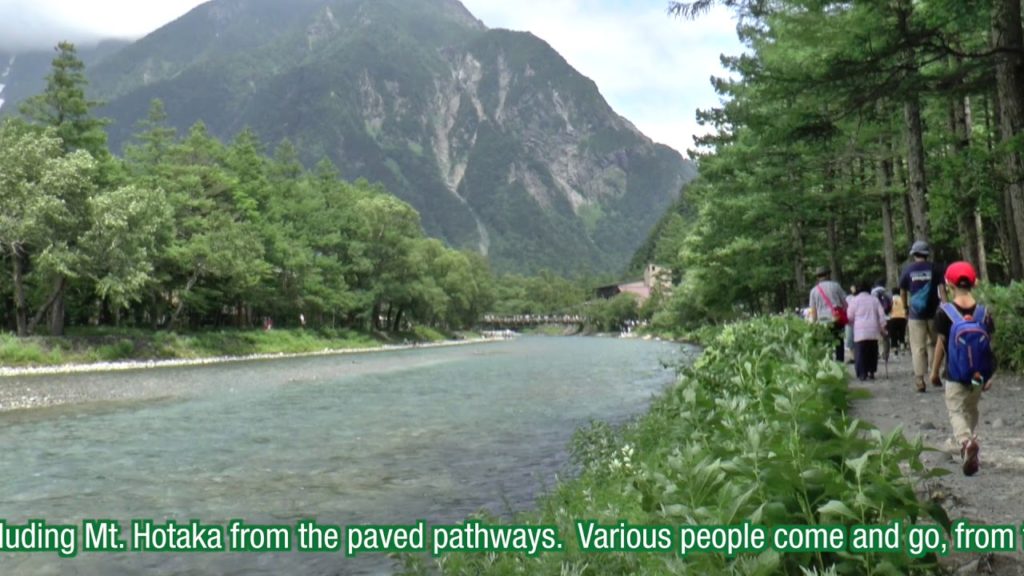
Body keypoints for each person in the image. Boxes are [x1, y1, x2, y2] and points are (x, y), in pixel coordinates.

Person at [929, 261, 995, 476]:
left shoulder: (944, 312)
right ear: (974, 282)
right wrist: (989, 375)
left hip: (955, 374)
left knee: (955, 409)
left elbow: (941, 344)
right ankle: (970, 442)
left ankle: (966, 442)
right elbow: (988, 346)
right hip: (978, 375)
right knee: (971, 408)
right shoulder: (983, 313)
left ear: (948, 283)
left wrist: (934, 370)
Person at [899, 240, 942, 392]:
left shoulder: (907, 270)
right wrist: (945, 307)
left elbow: (903, 291)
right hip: (934, 313)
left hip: (915, 314)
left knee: (918, 346)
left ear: (914, 254)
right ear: (926, 254)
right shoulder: (935, 268)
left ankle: (919, 380)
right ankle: (934, 372)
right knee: (934, 343)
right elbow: (942, 290)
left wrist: (905, 308)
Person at [848, 281, 888, 380]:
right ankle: (871, 371)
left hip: (860, 330)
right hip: (873, 330)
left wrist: (851, 323)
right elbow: (881, 314)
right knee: (872, 351)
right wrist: (883, 327)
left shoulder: (854, 300)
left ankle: (862, 373)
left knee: (860, 352)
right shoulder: (874, 300)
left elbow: (850, 316)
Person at [808, 266, 848, 362]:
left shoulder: (813, 291)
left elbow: (813, 310)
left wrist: (814, 323)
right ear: (827, 275)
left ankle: (828, 365)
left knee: (826, 345)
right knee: (839, 343)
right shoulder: (836, 286)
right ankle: (840, 364)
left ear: (818, 277)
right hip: (836, 319)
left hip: (822, 322)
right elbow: (845, 303)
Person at [888, 285, 908, 354]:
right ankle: (902, 347)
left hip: (893, 318)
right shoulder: (902, 298)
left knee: (893, 334)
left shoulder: (890, 299)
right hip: (902, 318)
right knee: (901, 333)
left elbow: (888, 308)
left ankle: (895, 348)